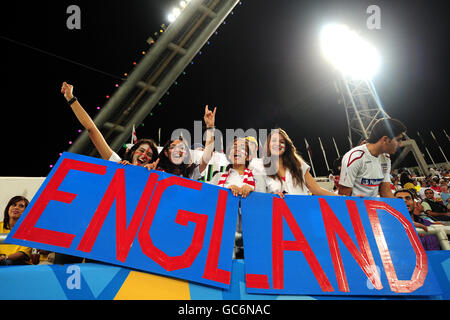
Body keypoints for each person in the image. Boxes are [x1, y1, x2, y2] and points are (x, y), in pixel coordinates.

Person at [61, 82, 160, 169]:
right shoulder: (117, 164)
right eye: (141, 150)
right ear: (133, 152)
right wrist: (71, 98)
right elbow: (92, 129)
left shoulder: (156, 178)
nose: (144, 155)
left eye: (149, 155)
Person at [210, 137, 259, 259]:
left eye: (242, 148)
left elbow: (266, 203)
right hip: (224, 233)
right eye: (233, 147)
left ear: (248, 157)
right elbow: (207, 198)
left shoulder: (257, 178)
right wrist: (226, 190)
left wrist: (253, 192)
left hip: (252, 234)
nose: (236, 150)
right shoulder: (218, 177)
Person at [338, 118, 407, 198]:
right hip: (354, 208)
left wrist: (399, 209)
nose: (400, 144)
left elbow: (386, 192)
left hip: (372, 208)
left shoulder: (386, 157)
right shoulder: (355, 157)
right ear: (385, 139)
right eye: (398, 140)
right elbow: (343, 197)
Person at [262, 129, 337, 198]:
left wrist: (341, 197)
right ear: (268, 145)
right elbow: (258, 195)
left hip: (301, 211)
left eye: (282, 142)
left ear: (286, 146)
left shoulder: (299, 165)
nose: (278, 144)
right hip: (277, 211)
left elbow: (317, 190)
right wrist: (271, 197)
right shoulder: (260, 168)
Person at [156, 105, 216, 179]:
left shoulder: (190, 173)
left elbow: (206, 157)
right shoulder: (155, 169)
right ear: (166, 153)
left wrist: (210, 127)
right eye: (173, 147)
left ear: (186, 154)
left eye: (182, 148)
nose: (177, 150)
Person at [0, 196, 32, 265]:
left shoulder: (30, 230)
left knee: (7, 262)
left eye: (21, 206)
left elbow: (22, 253)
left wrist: (5, 257)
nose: (16, 208)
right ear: (8, 208)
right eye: (13, 205)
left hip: (19, 263)